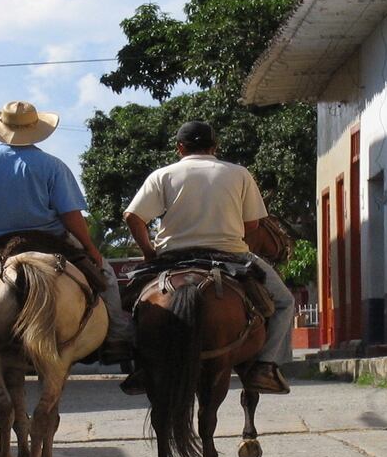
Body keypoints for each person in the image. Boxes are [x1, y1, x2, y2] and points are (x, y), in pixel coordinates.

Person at [0, 99, 132, 360]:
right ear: (35, 128)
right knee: (104, 273)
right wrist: (91, 249)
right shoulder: (53, 165)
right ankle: (117, 336)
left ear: (1, 126)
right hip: (46, 242)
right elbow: (71, 214)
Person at [122, 120, 295, 395]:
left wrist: (148, 252)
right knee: (285, 301)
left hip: (172, 256)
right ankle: (265, 366)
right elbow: (252, 226)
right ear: (214, 147)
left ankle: (142, 365)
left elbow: (132, 216)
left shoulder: (163, 175)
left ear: (180, 148)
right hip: (230, 253)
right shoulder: (239, 173)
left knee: (130, 303)